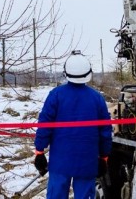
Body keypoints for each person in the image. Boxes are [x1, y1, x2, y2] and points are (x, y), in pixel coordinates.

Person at [34, 50, 112, 199]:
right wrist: (104, 157)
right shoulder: (97, 98)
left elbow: (45, 125)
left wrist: (39, 151)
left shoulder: (56, 95)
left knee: (56, 195)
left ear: (66, 72)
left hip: (60, 160)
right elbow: (105, 131)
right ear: (88, 73)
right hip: (87, 161)